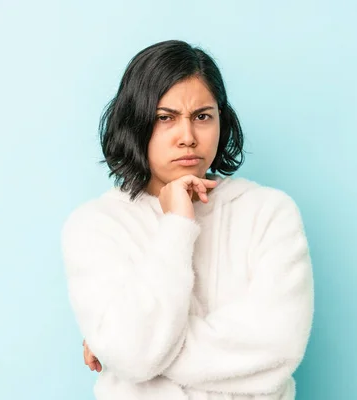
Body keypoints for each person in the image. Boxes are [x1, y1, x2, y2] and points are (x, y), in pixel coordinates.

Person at [61, 39, 314, 400]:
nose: (188, 137)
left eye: (202, 116)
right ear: (136, 121)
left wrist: (125, 348)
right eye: (166, 118)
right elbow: (133, 356)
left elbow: (277, 349)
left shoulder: (269, 212)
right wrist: (177, 225)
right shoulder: (95, 225)